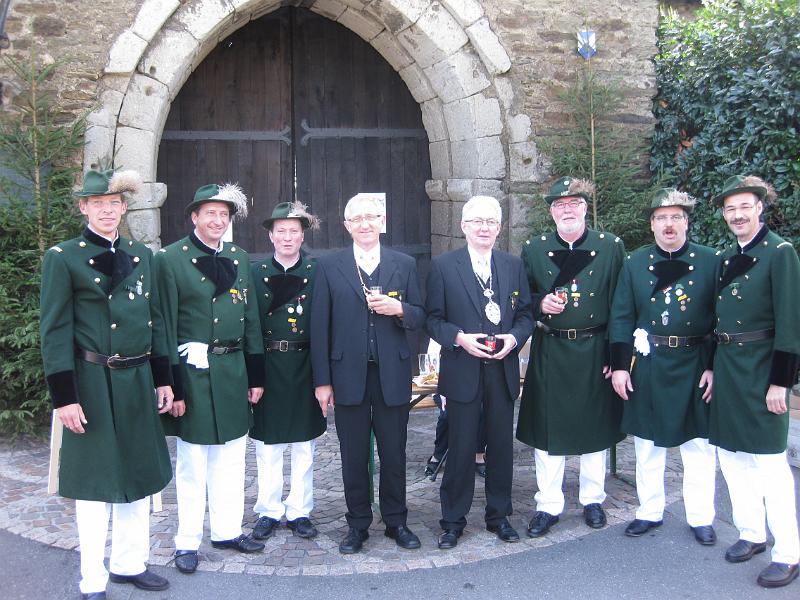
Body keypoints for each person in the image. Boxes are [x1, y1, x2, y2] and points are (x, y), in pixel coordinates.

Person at [40, 168, 172, 599]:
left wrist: (163, 381)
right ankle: (92, 577)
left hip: (136, 380)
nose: (108, 211)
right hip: (92, 381)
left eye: (114, 203)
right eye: (98, 204)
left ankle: (130, 563)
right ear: (84, 207)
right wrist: (65, 398)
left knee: (138, 474)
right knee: (96, 484)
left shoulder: (141, 255)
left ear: (124, 207)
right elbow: (55, 332)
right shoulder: (64, 257)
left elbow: (155, 324)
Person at [154, 183, 266, 574]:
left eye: (224, 215)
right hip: (193, 373)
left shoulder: (238, 257)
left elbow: (250, 317)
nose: (218, 221)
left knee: (234, 456)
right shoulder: (170, 259)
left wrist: (256, 375)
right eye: (210, 213)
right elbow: (164, 323)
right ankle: (187, 541)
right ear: (194, 216)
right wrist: (173, 383)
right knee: (192, 463)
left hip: (232, 370)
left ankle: (227, 530)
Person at [310, 193, 425, 554]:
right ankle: (357, 524)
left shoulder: (404, 264)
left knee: (395, 453)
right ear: (346, 226)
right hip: (347, 376)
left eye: (371, 217)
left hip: (391, 373)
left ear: (382, 221)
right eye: (356, 218)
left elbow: (422, 316)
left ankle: (396, 521)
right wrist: (322, 381)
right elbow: (319, 327)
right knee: (353, 454)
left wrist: (400, 308)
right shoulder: (329, 266)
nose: (364, 223)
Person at [609, 188, 719, 545]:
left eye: (675, 217)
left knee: (698, 447)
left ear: (686, 222)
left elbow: (723, 319)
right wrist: (620, 366)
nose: (668, 224)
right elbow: (622, 315)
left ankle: (701, 517)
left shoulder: (711, 260)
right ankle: (649, 511)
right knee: (647, 446)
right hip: (650, 363)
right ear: (652, 224)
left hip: (694, 362)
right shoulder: (635, 262)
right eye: (661, 218)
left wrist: (714, 364)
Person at [516, 177, 624, 537]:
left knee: (594, 425)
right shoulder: (534, 249)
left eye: (574, 203)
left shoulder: (609, 247)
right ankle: (548, 504)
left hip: (595, 348)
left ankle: (593, 499)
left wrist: (617, 354)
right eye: (560, 205)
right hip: (551, 347)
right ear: (551, 212)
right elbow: (519, 298)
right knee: (549, 428)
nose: (567, 209)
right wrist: (538, 304)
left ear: (585, 207)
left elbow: (620, 304)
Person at [426, 195, 533, 550]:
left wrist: (514, 339)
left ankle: (498, 516)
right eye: (477, 221)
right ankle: (453, 521)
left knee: (501, 448)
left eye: (491, 222)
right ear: (463, 226)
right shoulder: (443, 266)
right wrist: (457, 338)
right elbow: (432, 319)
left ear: (499, 228)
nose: (484, 227)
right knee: (460, 449)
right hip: (462, 368)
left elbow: (526, 316)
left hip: (501, 369)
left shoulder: (512, 265)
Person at [710, 175, 800, 588]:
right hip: (728, 367)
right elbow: (718, 321)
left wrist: (781, 382)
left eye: (744, 206)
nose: (737, 215)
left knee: (770, 464)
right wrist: (711, 366)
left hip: (763, 369)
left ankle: (788, 553)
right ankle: (751, 533)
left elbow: (790, 322)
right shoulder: (727, 257)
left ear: (760, 207)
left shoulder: (780, 252)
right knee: (731, 456)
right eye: (730, 209)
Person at [250, 201, 326, 541]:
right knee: (268, 446)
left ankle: (299, 510)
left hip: (305, 364)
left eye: (293, 231)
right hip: (268, 364)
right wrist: (252, 374)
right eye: (281, 231)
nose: (287, 237)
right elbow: (249, 324)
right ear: (270, 235)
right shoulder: (253, 272)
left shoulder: (316, 271)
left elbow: (325, 325)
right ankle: (268, 509)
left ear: (302, 235)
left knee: (304, 445)